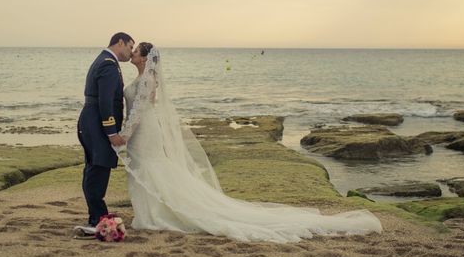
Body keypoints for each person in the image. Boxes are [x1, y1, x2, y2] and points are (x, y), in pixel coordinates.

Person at [116, 42, 383, 243]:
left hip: (144, 129)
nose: (134, 53)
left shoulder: (148, 78)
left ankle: (154, 215)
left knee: (154, 167)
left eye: (137, 50)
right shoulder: (145, 78)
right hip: (146, 128)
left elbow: (140, 109)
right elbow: (147, 105)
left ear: (144, 57)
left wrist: (124, 134)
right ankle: (150, 213)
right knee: (152, 167)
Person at [75, 32, 134, 234]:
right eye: (130, 46)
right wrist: (111, 132)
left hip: (91, 122)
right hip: (97, 125)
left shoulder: (104, 60)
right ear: (120, 42)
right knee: (97, 169)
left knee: (94, 168)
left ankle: (96, 216)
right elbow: (106, 102)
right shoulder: (109, 64)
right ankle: (97, 219)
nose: (131, 52)